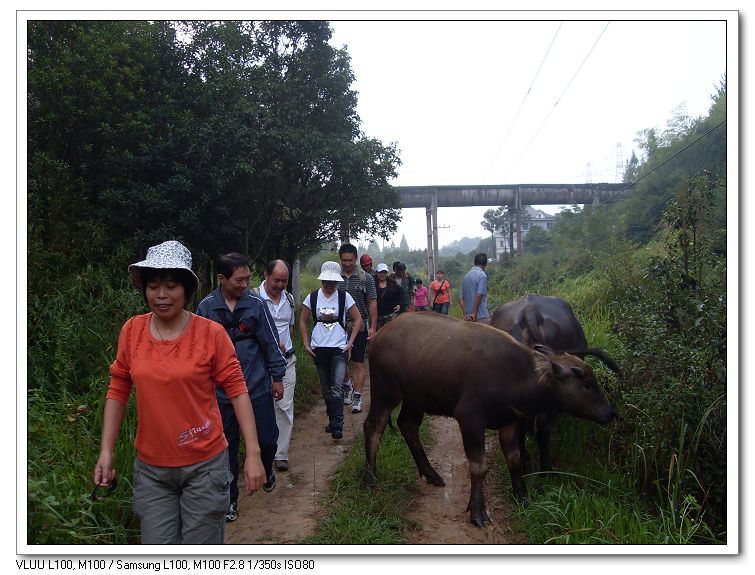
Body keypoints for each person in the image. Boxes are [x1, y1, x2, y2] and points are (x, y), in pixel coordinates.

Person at [93, 240, 265, 544]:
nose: (161, 295)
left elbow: (237, 391)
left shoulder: (210, 334)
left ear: (186, 289)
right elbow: (118, 388)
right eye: (153, 286)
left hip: (205, 467)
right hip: (151, 471)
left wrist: (252, 453)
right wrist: (106, 451)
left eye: (171, 286)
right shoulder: (132, 331)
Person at [196, 253, 286, 523]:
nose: (246, 283)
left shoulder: (256, 305)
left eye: (248, 278)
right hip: (221, 394)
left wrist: (277, 376)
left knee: (268, 439)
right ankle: (230, 500)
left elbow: (270, 341)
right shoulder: (206, 308)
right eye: (240, 279)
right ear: (222, 279)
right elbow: (199, 353)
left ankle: (267, 466)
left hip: (255, 387)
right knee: (227, 449)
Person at [299, 261, 362, 439]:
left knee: (336, 387)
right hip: (319, 347)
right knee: (326, 390)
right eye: (326, 281)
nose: (329, 285)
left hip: (339, 348)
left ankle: (337, 425)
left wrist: (350, 342)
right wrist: (306, 343)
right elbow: (303, 320)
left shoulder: (344, 297)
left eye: (333, 282)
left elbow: (358, 320)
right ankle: (332, 417)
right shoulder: (312, 297)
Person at [256, 260, 297, 473]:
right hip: (260, 364)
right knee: (263, 407)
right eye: (276, 280)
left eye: (285, 281)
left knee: (284, 406)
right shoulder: (253, 299)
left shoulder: (289, 299)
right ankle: (262, 452)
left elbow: (290, 329)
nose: (281, 285)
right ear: (266, 275)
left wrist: (286, 347)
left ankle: (281, 454)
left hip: (287, 361)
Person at [337, 243, 377, 414]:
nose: (347, 264)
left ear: (355, 259)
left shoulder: (365, 278)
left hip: (359, 327)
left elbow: (372, 303)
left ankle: (358, 396)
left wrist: (373, 327)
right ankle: (347, 386)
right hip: (338, 327)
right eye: (344, 260)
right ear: (340, 260)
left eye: (350, 260)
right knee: (341, 361)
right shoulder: (334, 278)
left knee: (358, 362)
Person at [459, 253, 491, 324]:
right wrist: (473, 313)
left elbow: (461, 299)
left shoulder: (466, 276)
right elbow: (479, 295)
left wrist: (466, 315)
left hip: (467, 319)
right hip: (481, 317)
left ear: (474, 263)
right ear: (485, 264)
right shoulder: (482, 276)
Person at [374, 263, 402, 329]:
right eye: (380, 272)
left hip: (390, 315)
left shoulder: (393, 283)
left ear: (387, 273)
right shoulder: (373, 284)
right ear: (377, 273)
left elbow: (400, 294)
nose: (382, 274)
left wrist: (399, 304)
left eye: (384, 272)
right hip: (377, 316)